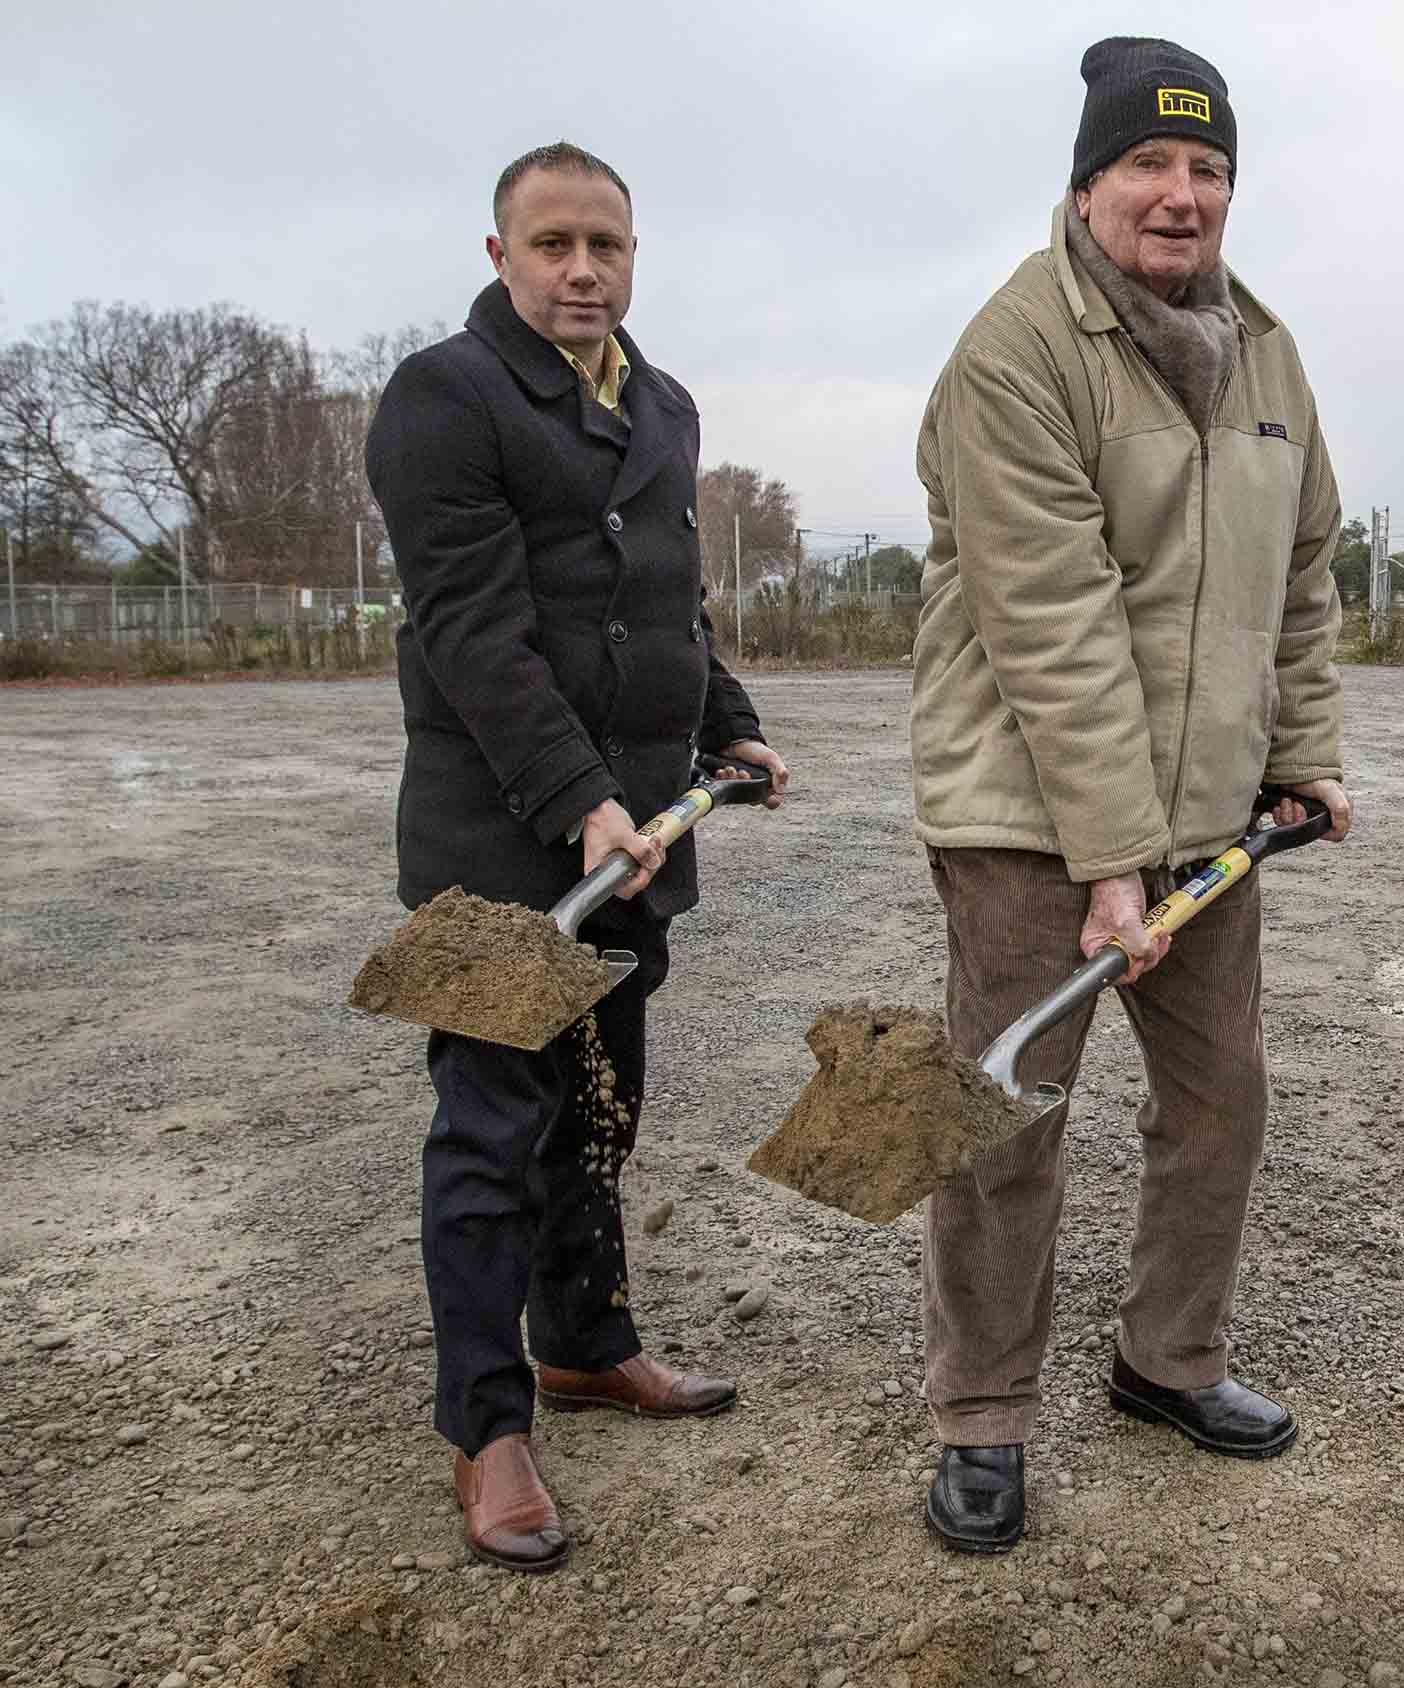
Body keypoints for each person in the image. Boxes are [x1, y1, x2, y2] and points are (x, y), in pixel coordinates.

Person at [906, 36, 1351, 1554]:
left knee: (1222, 1101)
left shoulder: (1268, 349)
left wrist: (1303, 754)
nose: (1181, 195)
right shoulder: (1016, 351)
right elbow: (1053, 626)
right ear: (1087, 184)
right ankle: (982, 1415)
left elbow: (1304, 576)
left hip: (1209, 821)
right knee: (1008, 1113)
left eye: (1207, 168)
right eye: (1149, 166)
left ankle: (1169, 1364)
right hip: (1030, 819)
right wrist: (1110, 862)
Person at [366, 140, 790, 1574]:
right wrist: (577, 796)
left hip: (639, 836)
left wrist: (730, 727)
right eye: (551, 245)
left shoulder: (660, 402)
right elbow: (471, 629)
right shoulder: (444, 398)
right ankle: (487, 1425)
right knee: (491, 1131)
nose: (582, 270)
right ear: (500, 256)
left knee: (599, 1108)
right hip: (500, 850)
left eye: (604, 245)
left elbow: (674, 607)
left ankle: (586, 1345)